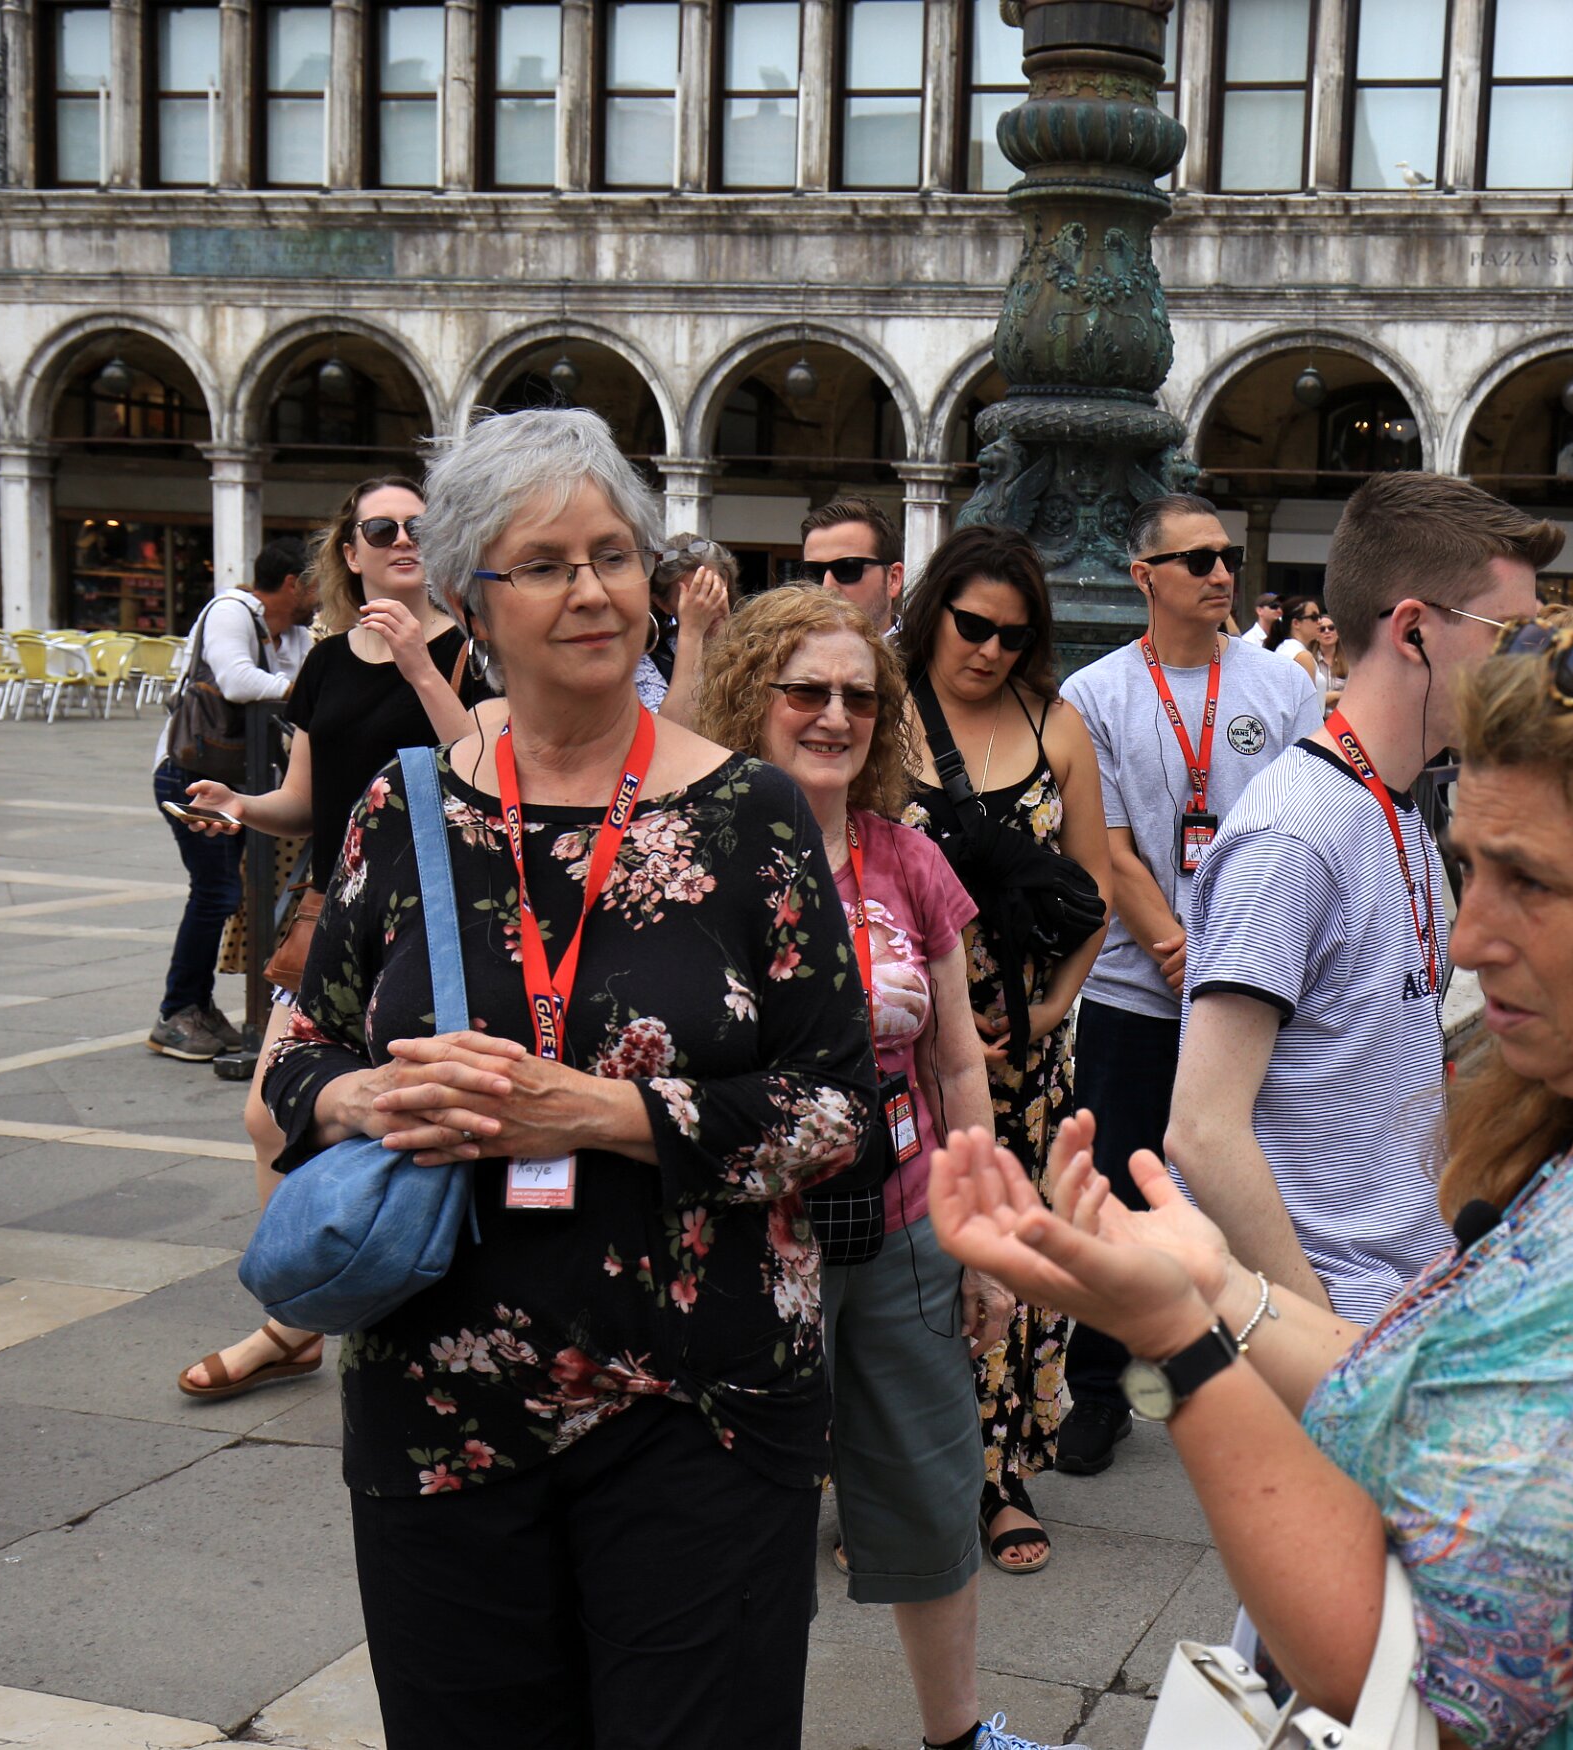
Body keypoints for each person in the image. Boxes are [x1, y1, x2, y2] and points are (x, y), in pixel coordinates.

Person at [930, 607, 1573, 1747]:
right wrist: (1218, 1290)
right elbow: (1438, 1400)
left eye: (1535, 883)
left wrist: (1178, 1345)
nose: (1473, 936)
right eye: (1471, 868)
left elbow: (1410, 1679)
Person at [257, 407, 880, 1748]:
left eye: (612, 554)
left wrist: (596, 1111)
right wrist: (365, 1098)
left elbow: (838, 1114)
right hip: (443, 1403)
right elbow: (299, 1055)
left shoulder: (750, 815)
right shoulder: (404, 808)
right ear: (471, 596)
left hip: (703, 1407)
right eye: (543, 563)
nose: (592, 589)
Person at [695, 587, 1072, 1750]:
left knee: (928, 1485)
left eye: (859, 697)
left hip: (905, 1219)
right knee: (739, 1512)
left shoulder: (907, 859)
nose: (833, 715)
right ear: (752, 699)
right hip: (752, 1236)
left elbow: (959, 1061)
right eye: (806, 690)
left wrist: (983, 1241)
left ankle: (958, 1736)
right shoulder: (699, 857)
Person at [1168, 471, 1554, 1324]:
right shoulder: (1293, 835)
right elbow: (1200, 1129)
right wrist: (1321, 1339)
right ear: (1413, 630)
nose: (1527, 667)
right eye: (1512, 636)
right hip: (1327, 1321)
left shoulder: (1391, 802)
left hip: (1394, 1298)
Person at [171, 476, 487, 1401]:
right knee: (270, 1113)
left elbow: (487, 772)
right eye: (380, 528)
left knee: (420, 1121)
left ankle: (392, 1312)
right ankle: (298, 1316)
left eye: (419, 525)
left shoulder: (473, 649)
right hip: (333, 915)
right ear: (350, 553)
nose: (402, 539)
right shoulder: (325, 661)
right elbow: (306, 800)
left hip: (437, 918)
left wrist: (421, 666)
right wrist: (242, 805)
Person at [1056, 494, 1320, 1478]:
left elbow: (1304, 823)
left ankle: (1262, 1376)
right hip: (1136, 989)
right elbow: (1108, 851)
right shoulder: (1095, 692)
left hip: (1251, 990)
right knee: (1118, 1186)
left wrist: (1225, 962)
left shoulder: (1282, 684)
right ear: (1144, 576)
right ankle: (1098, 1389)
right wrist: (1182, 948)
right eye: (1197, 558)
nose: (1220, 573)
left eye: (1227, 556)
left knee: (1254, 1184)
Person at [895, 526, 1112, 1569]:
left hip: (1021, 1048)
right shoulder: (881, 714)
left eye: (1012, 635)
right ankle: (895, 1476)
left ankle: (1000, 1473)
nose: (988, 650)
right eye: (972, 625)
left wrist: (1049, 1008)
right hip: (900, 1041)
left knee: (1014, 1253)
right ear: (934, 610)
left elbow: (1094, 889)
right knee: (908, 1254)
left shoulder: (1054, 723)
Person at [146, 536, 317, 1062]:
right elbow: (239, 682)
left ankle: (196, 1005)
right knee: (216, 891)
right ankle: (176, 1011)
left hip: (240, 780)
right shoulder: (231, 610)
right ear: (293, 583)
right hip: (190, 773)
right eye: (318, 584)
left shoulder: (296, 633)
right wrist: (309, 690)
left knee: (225, 892)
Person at [631, 532, 732, 727]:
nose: (708, 605)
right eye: (694, 598)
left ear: (725, 582)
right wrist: (692, 634)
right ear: (663, 604)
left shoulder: (757, 641)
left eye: (712, 589)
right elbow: (673, 731)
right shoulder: (649, 664)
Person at [798, 498, 906, 635]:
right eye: (815, 572)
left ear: (893, 579)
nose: (827, 586)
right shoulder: (783, 647)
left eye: (847, 569)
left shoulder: (925, 648)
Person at [1268, 597, 1330, 685]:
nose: (1320, 622)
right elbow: (1309, 693)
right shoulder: (1302, 656)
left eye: (1319, 616)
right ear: (1296, 623)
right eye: (1314, 617)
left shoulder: (1284, 648)